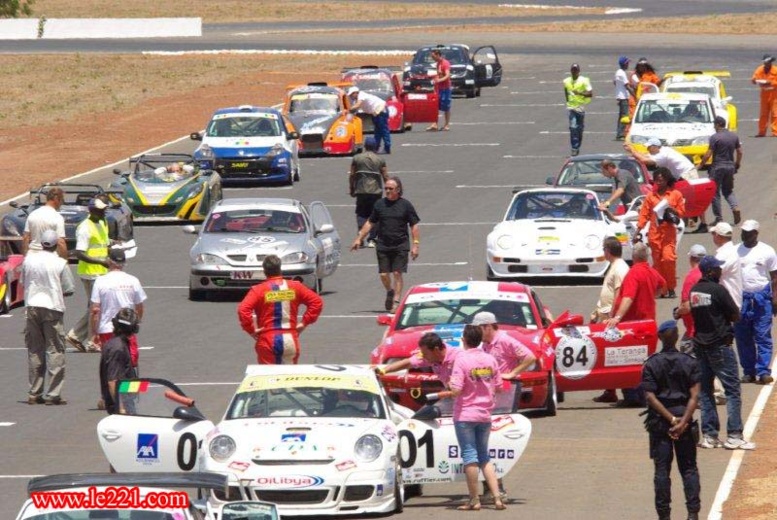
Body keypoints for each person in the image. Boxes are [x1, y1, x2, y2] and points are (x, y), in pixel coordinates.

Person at [690, 255, 755, 450]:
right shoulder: (718, 290)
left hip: (700, 346)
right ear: (710, 271)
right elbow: (735, 313)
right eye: (717, 269)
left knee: (706, 391)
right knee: (732, 390)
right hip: (720, 346)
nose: (720, 271)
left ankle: (710, 436)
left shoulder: (694, 291)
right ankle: (734, 435)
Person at [472, 311, 535, 502]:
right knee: (485, 444)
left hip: (504, 401)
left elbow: (529, 357)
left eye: (478, 328)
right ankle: (491, 486)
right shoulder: (484, 345)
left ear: (488, 326)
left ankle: (496, 487)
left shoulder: (505, 340)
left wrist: (511, 373)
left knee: (494, 444)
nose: (477, 332)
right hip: (489, 400)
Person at [641, 320, 701, 520]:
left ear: (659, 338)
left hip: (660, 423)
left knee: (661, 471)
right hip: (685, 421)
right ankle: (693, 514)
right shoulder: (689, 362)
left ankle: (664, 515)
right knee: (689, 469)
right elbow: (695, 396)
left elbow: (650, 397)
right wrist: (683, 421)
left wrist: (671, 419)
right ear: (677, 337)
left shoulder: (651, 363)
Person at [448, 325, 506, 511]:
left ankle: (474, 499)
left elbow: (456, 389)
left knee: (470, 456)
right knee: (484, 456)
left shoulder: (461, 359)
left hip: (465, 414)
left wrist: (449, 386)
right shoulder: (490, 359)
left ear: (464, 340)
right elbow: (498, 386)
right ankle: (497, 497)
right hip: (485, 413)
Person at [604, 243, 667, 407]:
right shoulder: (651, 272)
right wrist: (651, 295)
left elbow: (628, 297)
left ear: (633, 257)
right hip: (648, 323)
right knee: (644, 361)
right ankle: (641, 394)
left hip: (633, 325)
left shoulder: (634, 273)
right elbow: (663, 287)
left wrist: (617, 317)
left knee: (628, 360)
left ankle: (633, 396)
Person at [350, 176, 420, 312]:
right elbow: (370, 222)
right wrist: (359, 238)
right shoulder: (379, 205)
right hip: (383, 244)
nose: (387, 191)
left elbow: (414, 226)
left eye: (390, 189)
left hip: (401, 245)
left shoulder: (406, 205)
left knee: (397, 273)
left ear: (398, 190)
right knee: (383, 274)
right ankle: (390, 291)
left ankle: (396, 302)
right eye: (386, 188)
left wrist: (415, 245)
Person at [237, 255, 324, 364]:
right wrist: (304, 323)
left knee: (268, 378)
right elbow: (317, 302)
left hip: (268, 338)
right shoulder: (295, 287)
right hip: (290, 338)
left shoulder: (258, 290)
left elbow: (243, 310)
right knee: (289, 378)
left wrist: (251, 330)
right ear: (280, 269)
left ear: (264, 271)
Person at [22, 229, 75, 405]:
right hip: (52, 308)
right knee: (55, 350)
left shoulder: (29, 260)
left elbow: (24, 281)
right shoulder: (60, 263)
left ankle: (34, 392)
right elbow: (68, 289)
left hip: (32, 307)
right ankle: (53, 394)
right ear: (55, 245)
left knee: (35, 350)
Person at [66, 197, 111, 353]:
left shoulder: (103, 222)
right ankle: (90, 341)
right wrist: (100, 261)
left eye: (104, 209)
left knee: (95, 307)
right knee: (96, 308)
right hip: (90, 273)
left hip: (102, 271)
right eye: (100, 210)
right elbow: (80, 253)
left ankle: (76, 335)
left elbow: (102, 243)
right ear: (91, 210)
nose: (103, 211)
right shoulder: (85, 227)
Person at [734, 220, 777, 385]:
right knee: (743, 336)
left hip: (761, 298)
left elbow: (774, 277)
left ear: (756, 233)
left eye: (749, 232)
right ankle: (749, 371)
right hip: (741, 299)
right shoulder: (736, 251)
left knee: (762, 335)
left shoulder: (767, 251)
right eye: (743, 232)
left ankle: (763, 371)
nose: (745, 235)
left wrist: (775, 298)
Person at [634, 167, 685, 298]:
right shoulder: (650, 197)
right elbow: (644, 215)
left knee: (668, 259)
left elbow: (682, 212)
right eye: (657, 180)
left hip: (668, 233)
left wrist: (673, 211)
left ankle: (671, 287)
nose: (659, 182)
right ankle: (661, 290)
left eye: (662, 180)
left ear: (667, 180)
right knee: (657, 263)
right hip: (654, 234)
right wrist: (637, 231)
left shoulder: (675, 194)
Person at [591, 237, 631, 404]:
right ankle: (610, 389)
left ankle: (613, 389)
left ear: (607, 251)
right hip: (605, 316)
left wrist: (614, 317)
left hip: (611, 319)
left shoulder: (620, 268)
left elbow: (619, 294)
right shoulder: (614, 267)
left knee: (611, 355)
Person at [89, 249, 146, 367]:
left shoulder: (100, 281)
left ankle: (112, 385)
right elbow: (139, 307)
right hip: (127, 330)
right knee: (130, 363)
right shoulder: (133, 280)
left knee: (111, 365)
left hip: (106, 330)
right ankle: (126, 384)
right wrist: (136, 324)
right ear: (124, 263)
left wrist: (94, 333)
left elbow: (95, 311)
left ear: (109, 261)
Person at [699, 116, 743, 225]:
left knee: (714, 192)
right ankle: (735, 207)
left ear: (718, 124)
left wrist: (700, 165)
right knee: (728, 190)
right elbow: (740, 152)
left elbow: (708, 154)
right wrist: (737, 164)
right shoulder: (734, 136)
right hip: (730, 166)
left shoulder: (715, 137)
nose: (714, 127)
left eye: (714, 124)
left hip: (718, 167)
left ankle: (718, 218)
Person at [378, 332, 460, 390]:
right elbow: (407, 363)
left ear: (436, 350)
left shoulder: (459, 358)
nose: (423, 356)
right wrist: (383, 370)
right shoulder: (429, 357)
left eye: (425, 353)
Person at [99, 307, 140, 415]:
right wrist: (121, 409)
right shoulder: (118, 348)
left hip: (127, 401)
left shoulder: (118, 343)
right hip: (124, 407)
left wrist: (140, 386)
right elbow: (113, 381)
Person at [349, 136, 388, 248]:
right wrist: (388, 189)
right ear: (375, 146)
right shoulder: (380, 160)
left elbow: (352, 175)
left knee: (361, 213)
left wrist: (351, 188)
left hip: (361, 190)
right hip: (376, 191)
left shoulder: (357, 158)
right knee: (375, 214)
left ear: (365, 146)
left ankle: (360, 237)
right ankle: (373, 239)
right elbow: (385, 175)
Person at [674, 244, 707, 354]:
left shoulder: (692, 277)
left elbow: (687, 306)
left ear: (691, 258)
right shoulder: (708, 274)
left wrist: (678, 311)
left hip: (694, 331)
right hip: (708, 328)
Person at [22, 186, 67, 259]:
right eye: (62, 200)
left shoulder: (33, 214)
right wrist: (65, 261)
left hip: (32, 256)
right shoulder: (57, 217)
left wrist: (25, 257)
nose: (62, 203)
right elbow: (61, 242)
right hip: (50, 257)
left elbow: (25, 237)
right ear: (56, 199)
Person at [624, 138, 699, 182]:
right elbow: (644, 155)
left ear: (655, 147)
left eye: (649, 147)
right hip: (683, 174)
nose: (647, 149)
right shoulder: (663, 150)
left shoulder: (663, 154)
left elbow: (645, 161)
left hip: (688, 175)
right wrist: (633, 150)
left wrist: (632, 150)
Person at [346, 86, 391, 154]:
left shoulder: (361, 95)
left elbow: (357, 105)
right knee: (377, 131)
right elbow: (355, 109)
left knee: (383, 130)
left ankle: (387, 148)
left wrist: (349, 110)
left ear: (355, 93)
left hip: (381, 110)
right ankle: (376, 148)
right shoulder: (358, 99)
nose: (351, 97)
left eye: (351, 95)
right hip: (375, 113)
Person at [710, 222, 743, 310]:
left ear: (717, 235)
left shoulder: (724, 254)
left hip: (727, 303)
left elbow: (713, 276)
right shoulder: (730, 251)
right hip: (730, 301)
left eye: (713, 234)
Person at [562, 63, 593, 156]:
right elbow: (566, 92)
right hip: (571, 108)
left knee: (579, 129)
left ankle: (577, 145)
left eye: (576, 70)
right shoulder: (566, 81)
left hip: (581, 108)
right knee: (573, 127)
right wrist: (568, 102)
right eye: (573, 70)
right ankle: (574, 147)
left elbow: (590, 93)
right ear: (571, 71)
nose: (574, 72)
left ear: (579, 71)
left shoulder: (584, 80)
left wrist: (579, 93)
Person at [751, 54, 777, 137]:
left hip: (774, 95)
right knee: (763, 114)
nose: (767, 64)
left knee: (775, 114)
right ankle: (762, 131)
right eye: (766, 62)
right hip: (764, 95)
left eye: (769, 62)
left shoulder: (775, 70)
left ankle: (775, 131)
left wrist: (771, 83)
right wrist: (755, 80)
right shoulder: (760, 69)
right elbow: (754, 78)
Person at [426, 48, 452, 132]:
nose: (433, 58)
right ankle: (434, 124)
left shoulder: (445, 63)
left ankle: (447, 124)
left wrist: (440, 80)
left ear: (438, 55)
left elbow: (447, 75)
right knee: (435, 105)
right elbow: (439, 75)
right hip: (439, 88)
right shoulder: (438, 64)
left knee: (446, 106)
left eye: (433, 56)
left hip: (446, 88)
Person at [613, 56, 634, 140]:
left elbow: (615, 82)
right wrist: (635, 95)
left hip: (620, 96)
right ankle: (621, 134)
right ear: (625, 64)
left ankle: (620, 133)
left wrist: (618, 91)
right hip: (624, 97)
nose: (628, 64)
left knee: (621, 116)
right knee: (625, 116)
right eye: (627, 63)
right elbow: (627, 86)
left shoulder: (617, 72)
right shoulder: (622, 73)